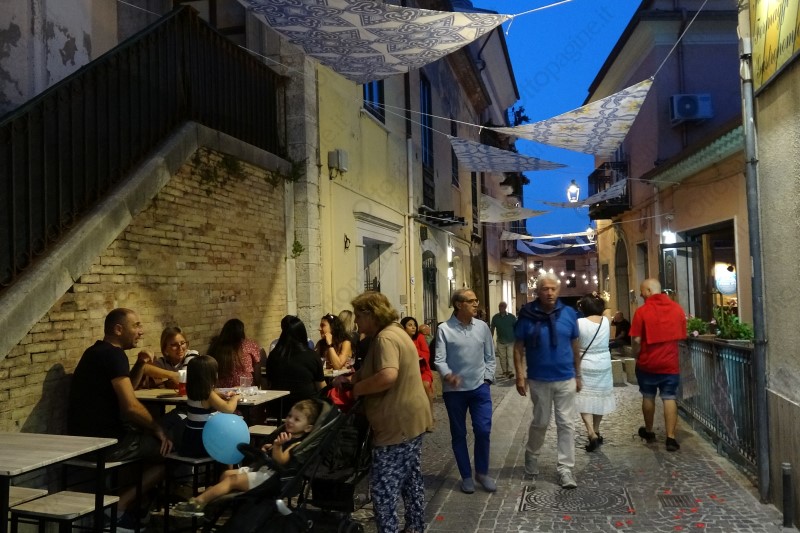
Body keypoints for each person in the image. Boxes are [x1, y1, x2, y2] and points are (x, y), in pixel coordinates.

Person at [67, 308, 174, 530]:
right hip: (105, 444)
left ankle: (132, 505)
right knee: (169, 452)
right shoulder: (114, 355)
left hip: (80, 440)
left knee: (144, 444)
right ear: (118, 329)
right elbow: (130, 406)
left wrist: (140, 365)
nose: (141, 331)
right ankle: (119, 508)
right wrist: (157, 428)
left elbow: (126, 391)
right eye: (136, 325)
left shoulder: (94, 352)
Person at [341, 291, 431, 533]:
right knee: (411, 480)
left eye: (359, 316)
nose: (356, 321)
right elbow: (375, 368)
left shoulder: (385, 338)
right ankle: (415, 527)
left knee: (383, 490)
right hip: (412, 420)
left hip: (396, 426)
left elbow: (388, 375)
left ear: (371, 314)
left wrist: (357, 389)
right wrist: (352, 379)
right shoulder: (395, 331)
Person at [172, 399, 322, 517]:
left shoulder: (298, 444)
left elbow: (281, 461)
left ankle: (198, 502)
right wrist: (268, 450)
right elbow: (274, 456)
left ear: (308, 428)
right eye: (289, 416)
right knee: (226, 474)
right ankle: (222, 504)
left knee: (232, 480)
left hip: (274, 479)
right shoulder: (287, 436)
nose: (290, 420)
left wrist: (277, 446)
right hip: (264, 471)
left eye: (296, 419)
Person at [513, 273, 581, 489]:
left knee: (566, 423)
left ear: (558, 291)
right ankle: (532, 454)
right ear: (538, 292)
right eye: (545, 289)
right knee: (541, 421)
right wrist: (520, 375)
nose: (549, 293)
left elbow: (575, 346)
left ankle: (565, 468)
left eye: (553, 289)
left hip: (565, 377)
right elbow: (518, 348)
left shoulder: (569, 314)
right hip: (539, 378)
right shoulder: (527, 315)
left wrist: (578, 374)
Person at [434, 288, 496, 494]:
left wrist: (487, 379)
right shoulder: (444, 329)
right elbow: (439, 360)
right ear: (459, 305)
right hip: (454, 392)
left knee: (483, 430)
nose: (476, 304)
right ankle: (466, 476)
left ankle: (482, 473)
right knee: (459, 433)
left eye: (476, 300)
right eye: (471, 301)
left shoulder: (482, 327)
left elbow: (490, 356)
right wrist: (448, 375)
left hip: (479, 388)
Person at [630, 278, 687, 452]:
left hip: (648, 363)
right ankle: (671, 438)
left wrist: (636, 354)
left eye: (642, 291)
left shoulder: (642, 311)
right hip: (670, 363)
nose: (641, 295)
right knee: (669, 397)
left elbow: (637, 340)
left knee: (648, 396)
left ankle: (649, 431)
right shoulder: (677, 309)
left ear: (649, 290)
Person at [575, 294, 616, 452]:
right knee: (600, 397)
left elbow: (574, 344)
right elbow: (608, 310)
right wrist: (602, 300)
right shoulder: (606, 321)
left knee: (584, 398)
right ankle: (597, 430)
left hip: (585, 363)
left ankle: (591, 432)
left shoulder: (579, 323)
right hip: (603, 363)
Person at [264, 315, 326, 419]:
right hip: (306, 410)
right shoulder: (312, 356)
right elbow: (321, 386)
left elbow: (268, 383)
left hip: (278, 409)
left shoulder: (273, 356)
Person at [181, 355, 241, 457]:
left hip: (190, 440)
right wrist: (235, 398)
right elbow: (228, 409)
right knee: (230, 443)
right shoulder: (208, 394)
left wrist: (221, 395)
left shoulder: (192, 391)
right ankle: (228, 466)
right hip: (203, 442)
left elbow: (211, 396)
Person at [400, 316, 435, 427]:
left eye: (414, 325)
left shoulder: (419, 337)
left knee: (425, 385)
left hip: (422, 370)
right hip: (407, 372)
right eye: (410, 325)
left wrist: (414, 352)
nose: (413, 327)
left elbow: (426, 354)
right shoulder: (401, 339)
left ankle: (430, 417)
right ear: (403, 327)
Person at [207, 318, 262, 389]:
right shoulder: (249, 345)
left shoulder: (216, 346)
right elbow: (257, 367)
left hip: (223, 388)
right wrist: (258, 385)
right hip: (245, 387)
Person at [490, 301, 517, 379]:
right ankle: (505, 371)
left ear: (505, 307)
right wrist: (490, 338)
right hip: (500, 341)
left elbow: (516, 327)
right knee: (502, 357)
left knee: (510, 356)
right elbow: (492, 328)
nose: (500, 308)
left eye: (502, 306)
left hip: (511, 340)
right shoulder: (495, 317)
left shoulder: (511, 317)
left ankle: (510, 371)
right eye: (499, 306)